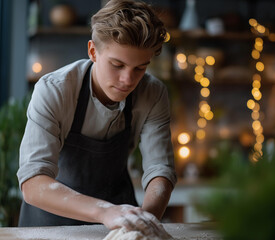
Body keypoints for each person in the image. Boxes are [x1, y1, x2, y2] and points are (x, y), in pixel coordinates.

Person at [17, 0, 177, 235]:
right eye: (117, 65)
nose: (128, 80)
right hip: (49, 226)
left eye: (140, 68)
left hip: (117, 226)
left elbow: (160, 170)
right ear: (93, 51)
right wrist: (104, 212)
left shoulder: (153, 93)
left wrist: (142, 225)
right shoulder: (54, 90)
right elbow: (33, 183)